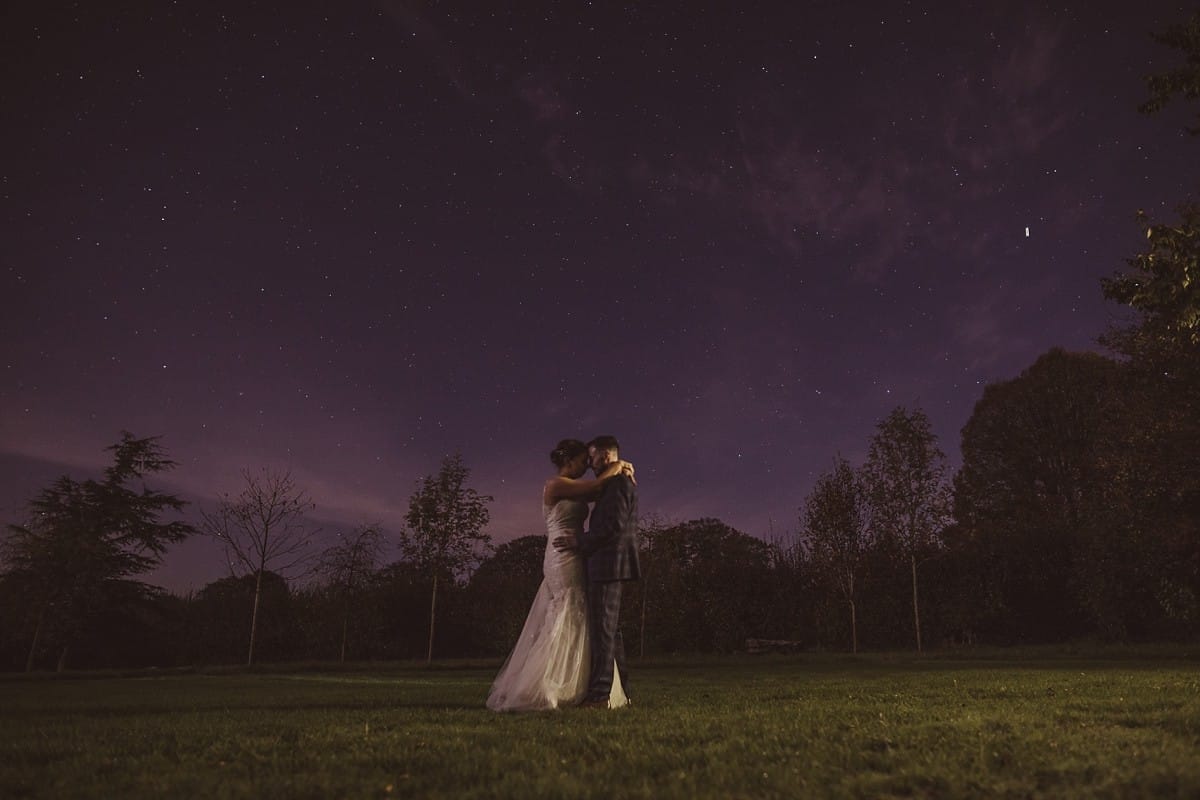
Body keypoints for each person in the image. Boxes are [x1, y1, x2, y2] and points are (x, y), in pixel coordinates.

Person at [486, 439, 633, 711]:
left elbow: (602, 491)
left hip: (577, 552)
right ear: (569, 461)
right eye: (583, 462)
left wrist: (616, 470)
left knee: (580, 612)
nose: (587, 467)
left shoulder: (576, 489)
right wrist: (619, 464)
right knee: (567, 608)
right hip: (561, 556)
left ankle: (581, 682)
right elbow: (596, 486)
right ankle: (552, 682)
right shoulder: (555, 485)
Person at [554, 435, 640, 709]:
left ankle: (600, 696)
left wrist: (579, 542)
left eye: (591, 458)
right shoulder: (613, 483)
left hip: (607, 565)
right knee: (610, 630)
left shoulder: (618, 484)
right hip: (607, 564)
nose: (590, 464)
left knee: (603, 631)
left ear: (604, 456)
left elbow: (611, 527)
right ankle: (621, 692)